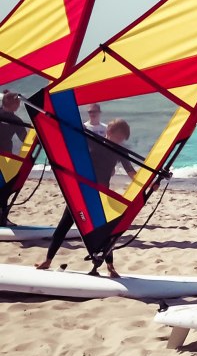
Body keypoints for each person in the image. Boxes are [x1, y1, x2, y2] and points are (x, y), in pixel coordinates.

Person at [36, 118, 133, 277]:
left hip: (102, 194)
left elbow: (131, 173)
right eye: (119, 136)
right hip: (82, 192)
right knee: (64, 224)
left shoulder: (121, 151)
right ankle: (47, 260)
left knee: (106, 231)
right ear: (109, 132)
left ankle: (110, 266)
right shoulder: (95, 141)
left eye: (123, 138)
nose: (121, 140)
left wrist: (150, 184)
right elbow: (75, 135)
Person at [0, 90, 28, 157]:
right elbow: (24, 139)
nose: (19, 105)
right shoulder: (16, 121)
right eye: (18, 103)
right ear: (14, 105)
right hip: (4, 151)